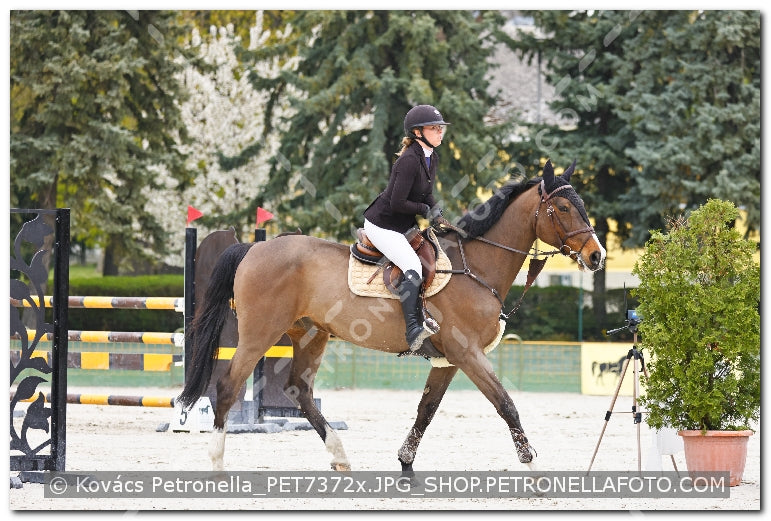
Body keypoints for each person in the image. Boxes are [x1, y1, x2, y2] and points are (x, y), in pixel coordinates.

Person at [362, 104, 452, 352]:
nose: (440, 132)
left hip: (403, 224)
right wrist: (424, 209)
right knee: (412, 265)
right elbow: (397, 202)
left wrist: (436, 211)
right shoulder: (409, 161)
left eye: (440, 128)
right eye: (434, 128)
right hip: (383, 225)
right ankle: (413, 328)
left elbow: (427, 193)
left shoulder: (431, 156)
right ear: (417, 132)